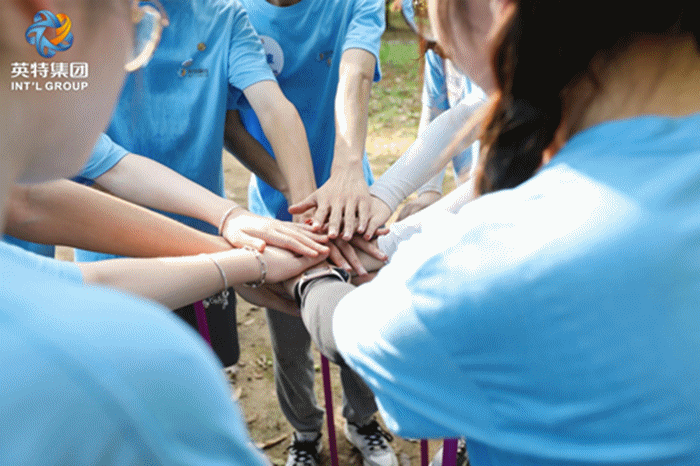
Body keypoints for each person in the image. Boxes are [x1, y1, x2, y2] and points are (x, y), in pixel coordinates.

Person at [287, 0, 700, 465]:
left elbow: (349, 331)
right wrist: (386, 211)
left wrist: (312, 276)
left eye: (429, 17)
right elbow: (461, 122)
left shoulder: (487, 270)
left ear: (496, 9)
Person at [0, 0, 326, 463]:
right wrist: (243, 255)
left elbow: (43, 201)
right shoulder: (140, 371)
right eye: (135, 25)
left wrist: (234, 235)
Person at [72, 0, 327, 367]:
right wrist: (235, 235)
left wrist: (305, 215)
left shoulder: (224, 16)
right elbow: (105, 168)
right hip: (114, 254)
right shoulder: (76, 19)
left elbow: (273, 108)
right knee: (126, 385)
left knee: (205, 373)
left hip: (208, 246)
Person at [227, 1, 399, 465]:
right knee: (289, 339)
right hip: (278, 212)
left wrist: (345, 171)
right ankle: (305, 431)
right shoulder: (233, 14)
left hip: (351, 207)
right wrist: (291, 191)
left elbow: (355, 73)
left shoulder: (354, 4)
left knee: (357, 320)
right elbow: (232, 125)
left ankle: (363, 420)